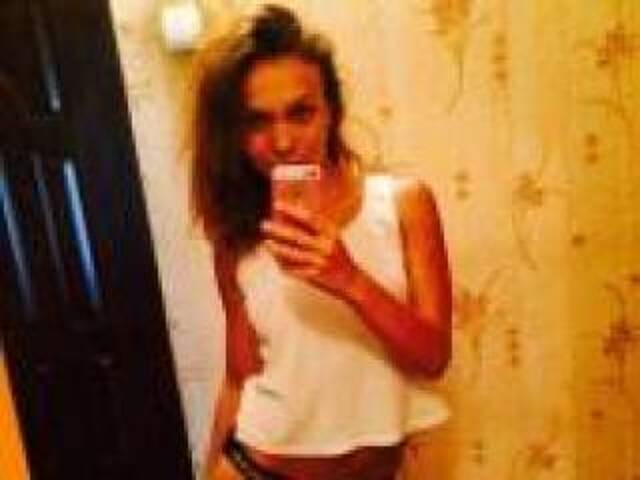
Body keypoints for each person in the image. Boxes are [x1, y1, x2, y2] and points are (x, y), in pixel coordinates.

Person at [187, 5, 452, 479]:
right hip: (258, 468)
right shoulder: (236, 237)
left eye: (301, 112)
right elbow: (240, 376)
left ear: (332, 110)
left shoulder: (403, 205)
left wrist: (349, 279)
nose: (282, 141)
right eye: (256, 122)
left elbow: (433, 358)